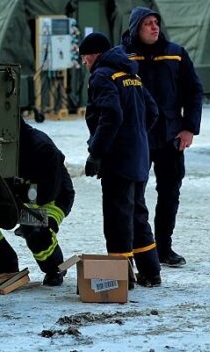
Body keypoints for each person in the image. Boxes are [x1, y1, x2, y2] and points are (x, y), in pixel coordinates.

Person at [122, 7, 203, 268]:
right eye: (147, 23)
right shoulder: (124, 56)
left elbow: (194, 91)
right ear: (136, 28)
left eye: (156, 22)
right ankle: (138, 247)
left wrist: (189, 128)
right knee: (134, 195)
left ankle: (164, 248)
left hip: (171, 136)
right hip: (138, 138)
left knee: (169, 193)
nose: (154, 27)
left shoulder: (176, 54)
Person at [79, 32, 161, 287]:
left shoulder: (102, 75)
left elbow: (111, 115)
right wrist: (136, 136)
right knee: (137, 213)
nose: (84, 62)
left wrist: (97, 153)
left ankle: (123, 278)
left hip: (118, 159)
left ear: (95, 55)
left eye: (85, 57)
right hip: (139, 155)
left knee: (117, 218)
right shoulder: (130, 74)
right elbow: (152, 111)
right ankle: (151, 271)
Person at [0, 119, 75, 286]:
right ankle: (4, 263)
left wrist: (24, 212)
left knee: (37, 231)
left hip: (53, 198)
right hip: (19, 197)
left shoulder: (42, 148)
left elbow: (47, 193)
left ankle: (56, 268)